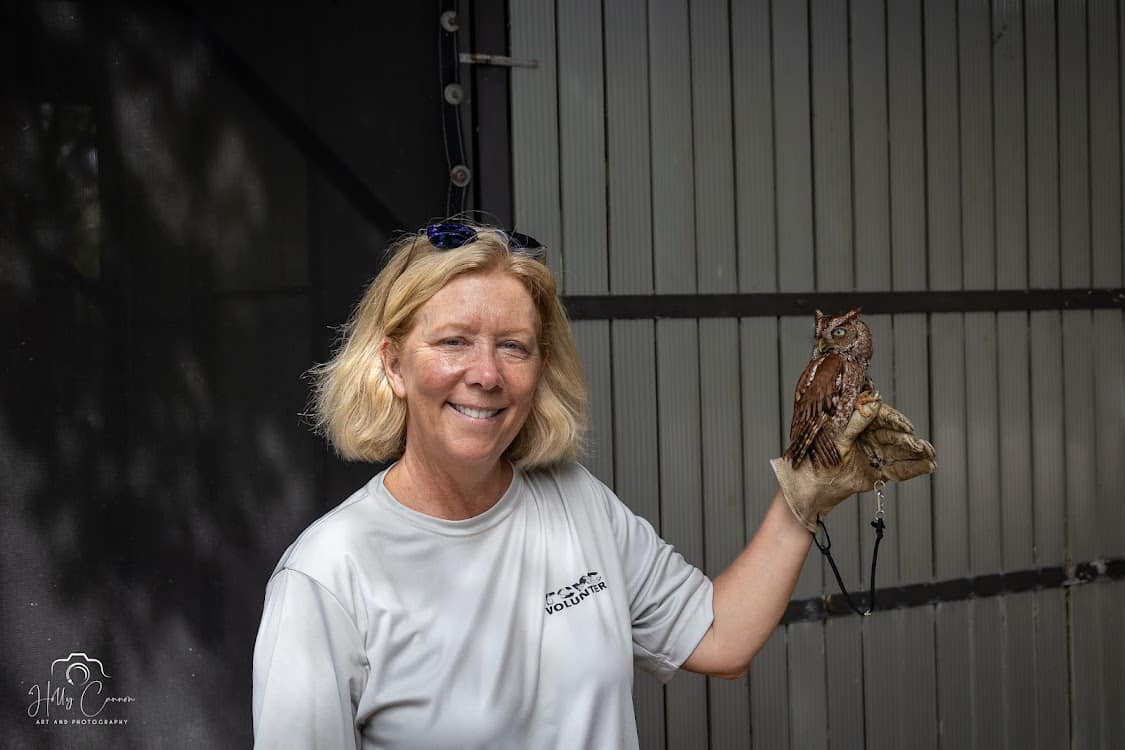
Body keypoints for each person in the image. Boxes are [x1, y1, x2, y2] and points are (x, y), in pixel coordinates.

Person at [251, 221, 936, 748]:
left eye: (512, 346)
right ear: (394, 364)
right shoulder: (328, 577)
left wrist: (804, 495)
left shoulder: (573, 501)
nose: (486, 374)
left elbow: (718, 641)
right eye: (454, 341)